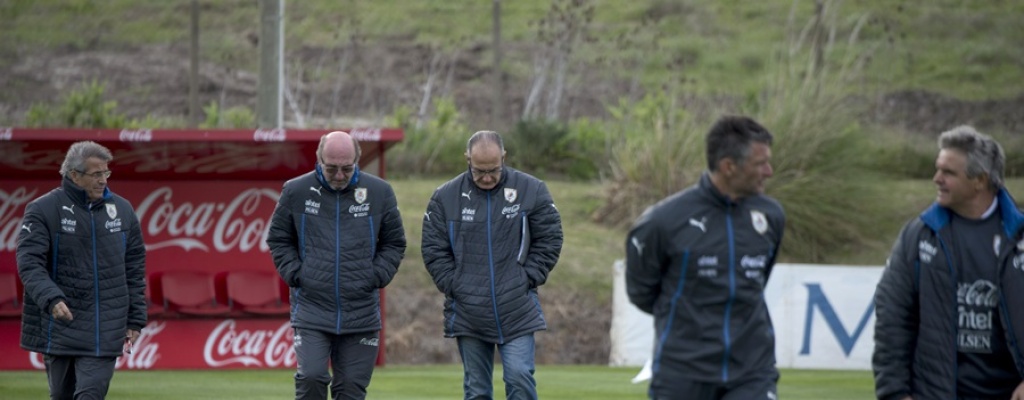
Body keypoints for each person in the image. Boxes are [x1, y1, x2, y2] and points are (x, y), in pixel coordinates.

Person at [625, 115, 785, 400]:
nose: (769, 171)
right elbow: (642, 292)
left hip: (752, 372)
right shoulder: (664, 221)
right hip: (682, 373)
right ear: (728, 166)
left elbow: (758, 281)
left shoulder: (771, 216)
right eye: (760, 164)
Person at [873, 126, 1024, 400]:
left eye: (948, 172)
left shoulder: (1020, 236)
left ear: (979, 180)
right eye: (937, 169)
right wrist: (895, 393)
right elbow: (892, 318)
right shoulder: (918, 235)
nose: (936, 179)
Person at [421, 130, 563, 400]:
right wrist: (456, 285)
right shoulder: (445, 198)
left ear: (504, 158)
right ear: (467, 159)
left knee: (519, 377)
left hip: (517, 307)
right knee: (477, 390)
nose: (486, 177)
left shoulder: (531, 190)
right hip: (468, 310)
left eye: (493, 170)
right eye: (479, 171)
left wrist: (527, 277)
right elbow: (433, 250)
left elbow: (550, 239)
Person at [266, 131, 406, 400]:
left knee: (351, 390)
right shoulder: (295, 191)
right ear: (319, 160)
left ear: (357, 160)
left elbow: (395, 243)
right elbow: (279, 239)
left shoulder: (379, 192)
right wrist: (296, 274)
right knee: (311, 378)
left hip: (361, 311)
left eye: (347, 168)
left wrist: (376, 275)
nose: (340, 175)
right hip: (312, 308)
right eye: (332, 169)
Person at [16, 140, 147, 400]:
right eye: (96, 173)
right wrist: (51, 298)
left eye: (106, 173)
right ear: (74, 175)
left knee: (90, 395)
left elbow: (134, 268)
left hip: (106, 326)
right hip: (62, 323)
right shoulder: (43, 210)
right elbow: (29, 261)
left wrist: (135, 319)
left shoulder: (122, 210)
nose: (103, 180)